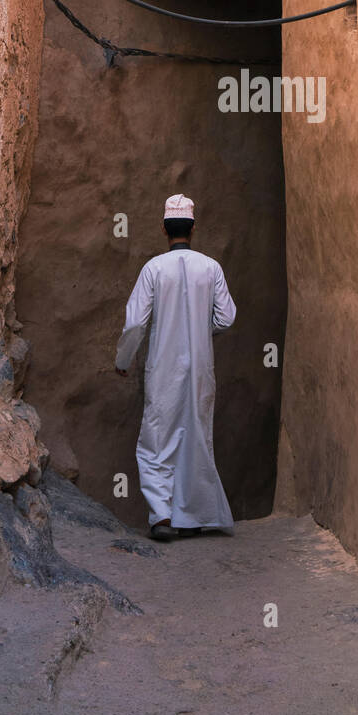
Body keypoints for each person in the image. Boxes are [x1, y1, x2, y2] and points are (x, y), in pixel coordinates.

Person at [115, 195, 236, 541]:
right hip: (201, 368)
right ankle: (194, 516)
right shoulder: (211, 268)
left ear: (164, 229)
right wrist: (200, 330)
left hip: (163, 367)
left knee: (157, 438)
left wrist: (123, 360)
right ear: (193, 228)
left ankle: (162, 517)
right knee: (196, 436)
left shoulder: (153, 269)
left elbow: (136, 323)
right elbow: (226, 317)